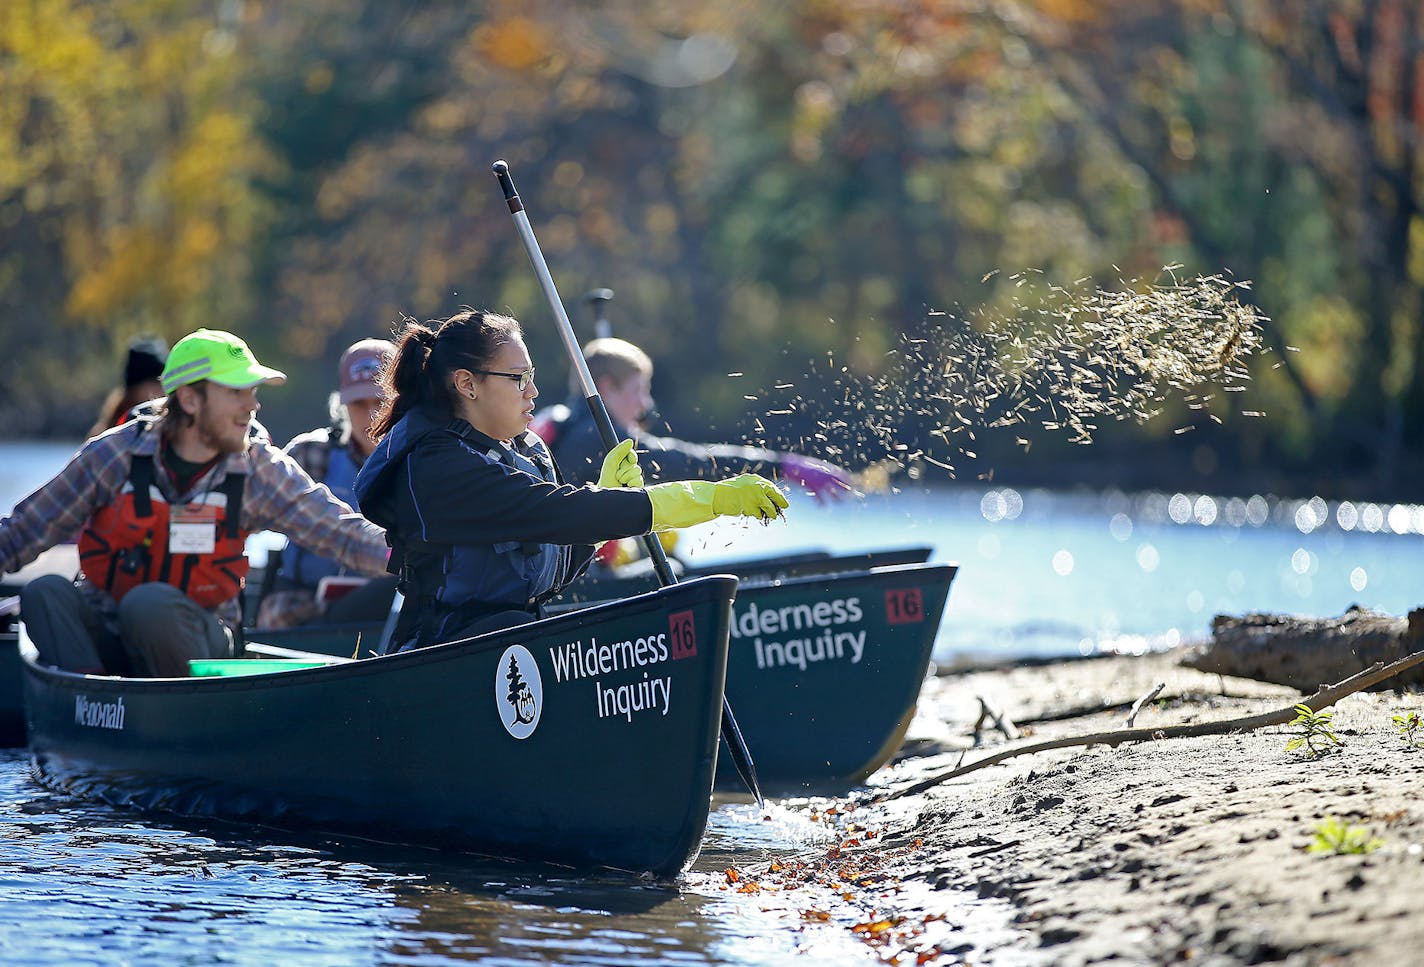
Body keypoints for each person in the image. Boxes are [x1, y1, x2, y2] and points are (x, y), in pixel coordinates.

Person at [353, 308, 788, 653]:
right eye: (518, 379)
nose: (533, 392)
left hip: (511, 640)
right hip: (447, 656)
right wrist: (708, 500)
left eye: (533, 376)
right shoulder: (441, 467)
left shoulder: (523, 450)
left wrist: (609, 505)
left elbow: (555, 556)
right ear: (468, 384)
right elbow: (562, 511)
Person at [5, 329, 391, 677]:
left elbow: (341, 532)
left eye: (253, 392)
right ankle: (90, 694)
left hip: (200, 648)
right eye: (236, 392)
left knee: (148, 603)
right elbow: (24, 531)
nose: (252, 406)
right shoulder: (115, 454)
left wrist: (420, 557)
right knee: (44, 592)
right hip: (108, 638)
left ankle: (173, 710)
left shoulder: (256, 468)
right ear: (189, 399)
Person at [533, 337, 856, 500]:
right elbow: (690, 462)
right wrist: (779, 465)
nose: (646, 404)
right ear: (606, 388)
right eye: (639, 390)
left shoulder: (566, 422)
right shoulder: (597, 439)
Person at [255, 337, 401, 629]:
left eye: (382, 402)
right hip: (305, 603)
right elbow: (253, 512)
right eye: (359, 403)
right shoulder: (310, 452)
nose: (372, 415)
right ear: (342, 405)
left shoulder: (424, 460)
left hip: (392, 602)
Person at [88, 336, 169, 436]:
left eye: (163, 381)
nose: (162, 388)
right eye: (155, 382)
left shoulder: (170, 423)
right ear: (135, 388)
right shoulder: (105, 434)